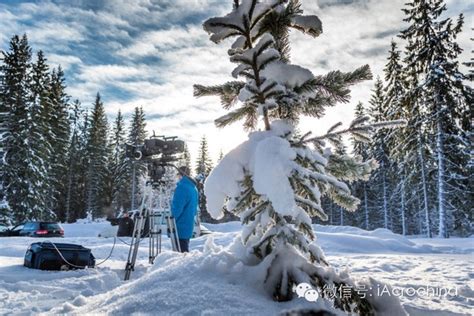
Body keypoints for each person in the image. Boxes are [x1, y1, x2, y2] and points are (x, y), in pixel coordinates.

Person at [171, 166, 198, 252]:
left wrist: (171, 220)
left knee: (180, 256)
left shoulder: (182, 187)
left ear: (181, 175)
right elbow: (194, 211)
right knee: (184, 252)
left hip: (179, 227)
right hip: (188, 227)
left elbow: (177, 208)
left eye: (178, 175)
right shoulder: (193, 188)